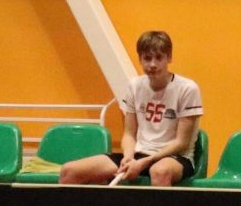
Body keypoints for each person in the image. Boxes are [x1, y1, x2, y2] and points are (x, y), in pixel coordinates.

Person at [60, 31, 203, 185]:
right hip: (138, 155)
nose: (152, 64)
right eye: (147, 58)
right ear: (140, 59)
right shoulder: (134, 86)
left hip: (174, 158)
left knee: (159, 171)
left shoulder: (187, 88)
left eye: (159, 58)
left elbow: (181, 142)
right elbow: (129, 134)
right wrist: (128, 157)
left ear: (169, 58)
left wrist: (145, 162)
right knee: (69, 170)